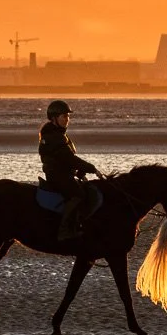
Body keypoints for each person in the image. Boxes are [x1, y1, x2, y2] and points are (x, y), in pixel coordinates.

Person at [40, 100, 102, 240]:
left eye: (68, 116)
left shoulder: (59, 135)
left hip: (63, 174)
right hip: (57, 177)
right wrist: (92, 168)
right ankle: (64, 230)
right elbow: (69, 159)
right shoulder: (54, 137)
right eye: (64, 116)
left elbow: (64, 161)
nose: (67, 119)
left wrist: (79, 172)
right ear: (54, 118)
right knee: (78, 195)